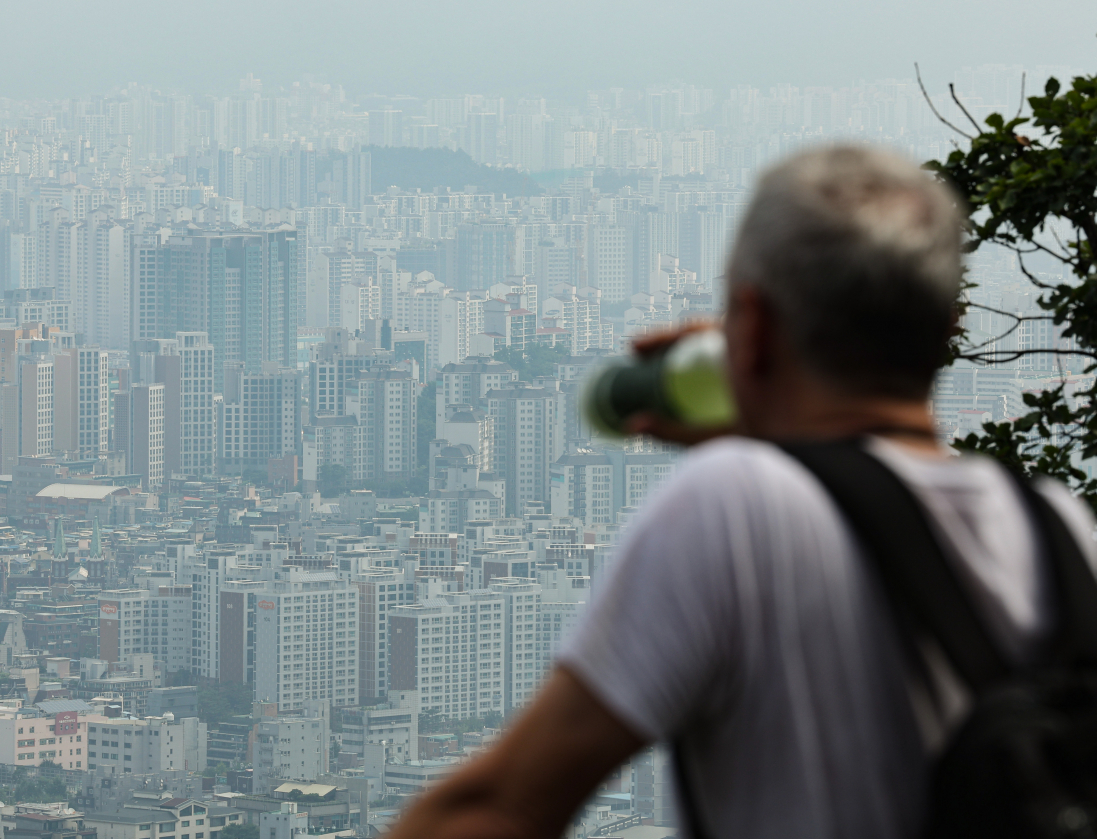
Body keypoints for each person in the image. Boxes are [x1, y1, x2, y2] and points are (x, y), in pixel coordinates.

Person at [383, 145, 1097, 839]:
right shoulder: (1060, 524)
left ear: (749, 326)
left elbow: (501, 811)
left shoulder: (735, 504)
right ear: (947, 333)